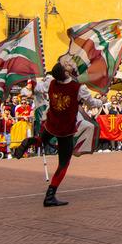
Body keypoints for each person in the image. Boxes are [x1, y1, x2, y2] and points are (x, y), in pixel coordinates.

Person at [14, 59, 102, 207]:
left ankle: (29, 141)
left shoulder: (51, 83)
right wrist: (101, 101)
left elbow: (35, 88)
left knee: (41, 140)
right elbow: (92, 104)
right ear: (66, 73)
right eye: (66, 65)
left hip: (51, 124)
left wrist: (31, 83)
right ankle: (50, 195)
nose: (68, 64)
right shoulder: (79, 88)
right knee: (64, 163)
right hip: (66, 129)